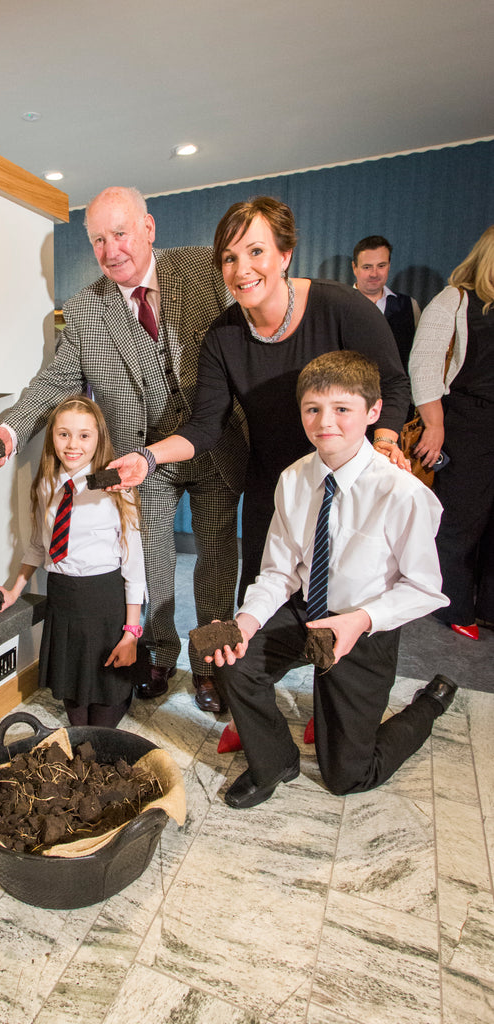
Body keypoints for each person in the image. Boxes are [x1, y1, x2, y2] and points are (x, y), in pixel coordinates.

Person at [0, 186, 247, 713]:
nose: (110, 250)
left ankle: (211, 665)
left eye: (120, 234)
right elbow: (54, 382)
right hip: (138, 461)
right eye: (98, 240)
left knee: (217, 553)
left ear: (148, 229)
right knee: (151, 556)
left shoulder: (200, 271)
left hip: (214, 440)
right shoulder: (85, 311)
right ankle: (160, 654)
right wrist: (11, 429)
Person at [110, 196, 411, 607]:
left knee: (344, 611)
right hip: (273, 488)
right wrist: (147, 458)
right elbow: (204, 426)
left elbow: (392, 384)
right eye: (229, 258)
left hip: (349, 483)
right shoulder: (223, 335)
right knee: (260, 612)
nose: (242, 269)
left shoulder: (340, 307)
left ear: (285, 255)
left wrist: (386, 442)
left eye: (256, 252)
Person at [206, 350, 455, 808]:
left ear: (373, 412)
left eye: (343, 409)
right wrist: (246, 621)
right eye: (313, 409)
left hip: (362, 627)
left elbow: (425, 588)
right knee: (228, 656)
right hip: (305, 612)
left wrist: (360, 621)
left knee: (349, 776)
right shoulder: (293, 479)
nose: (326, 422)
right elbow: (279, 571)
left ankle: (430, 703)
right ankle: (275, 760)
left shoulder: (403, 493)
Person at [0, 397, 146, 728]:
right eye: (64, 434)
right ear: (52, 437)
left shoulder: (116, 488)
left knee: (103, 711)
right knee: (75, 708)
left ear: (99, 438)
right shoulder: (46, 484)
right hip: (63, 600)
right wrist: (14, 591)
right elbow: (38, 546)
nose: (73, 445)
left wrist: (131, 633)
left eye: (84, 436)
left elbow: (134, 566)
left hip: (104, 602)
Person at [409, 225, 494, 641]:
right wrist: (435, 425)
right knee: (460, 519)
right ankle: (455, 605)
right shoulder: (456, 299)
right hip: (467, 421)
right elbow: (423, 366)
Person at [352, 235, 421, 371]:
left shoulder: (409, 306)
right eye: (367, 267)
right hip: (348, 390)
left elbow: (419, 356)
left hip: (395, 390)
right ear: (355, 268)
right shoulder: (338, 305)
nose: (374, 274)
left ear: (389, 266)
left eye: (381, 266)